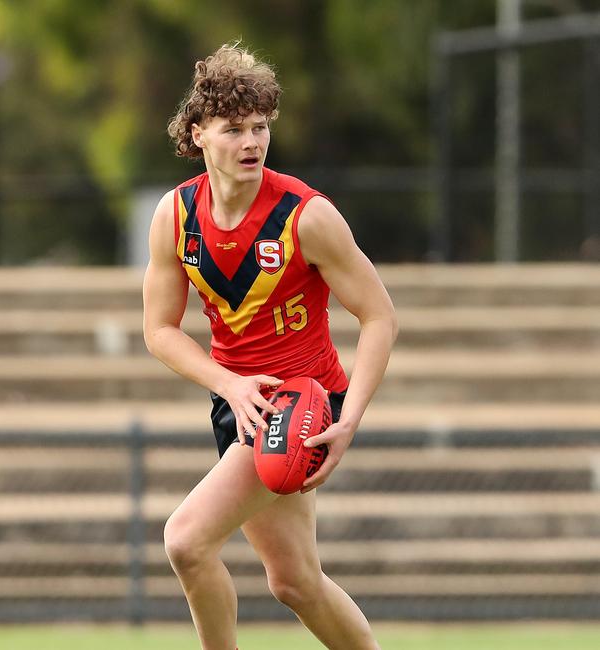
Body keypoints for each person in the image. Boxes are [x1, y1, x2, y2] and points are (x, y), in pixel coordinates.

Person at [143, 42, 398, 650]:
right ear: (198, 134)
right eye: (234, 129)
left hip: (303, 403)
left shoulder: (306, 216)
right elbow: (160, 331)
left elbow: (380, 316)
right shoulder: (176, 216)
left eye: (260, 127)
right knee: (295, 582)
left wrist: (349, 420)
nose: (252, 141)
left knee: (186, 540)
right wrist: (228, 384)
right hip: (241, 401)